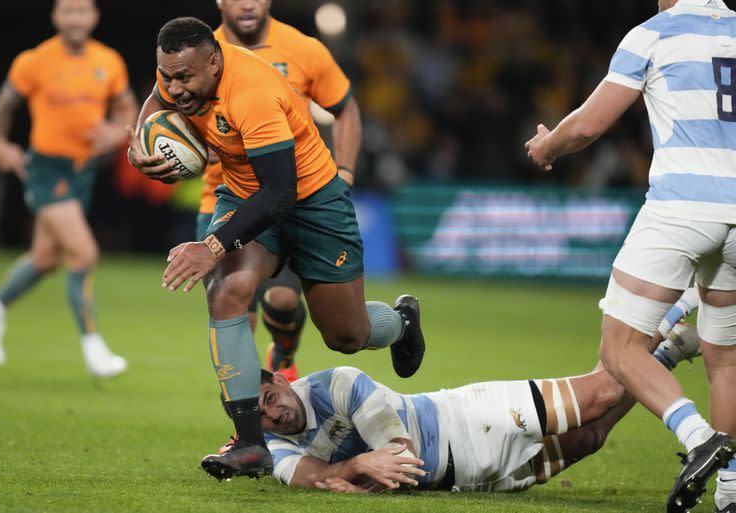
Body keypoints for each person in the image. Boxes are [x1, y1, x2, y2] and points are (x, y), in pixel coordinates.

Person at [127, 17, 424, 479]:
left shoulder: (254, 91)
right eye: (166, 75)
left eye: (183, 78)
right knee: (225, 291)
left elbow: (280, 193)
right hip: (244, 191)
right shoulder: (178, 73)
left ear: (214, 61)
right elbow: (156, 98)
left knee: (345, 335)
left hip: (312, 200)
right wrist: (140, 139)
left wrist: (211, 245)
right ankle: (250, 443)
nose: (174, 88)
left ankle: (401, 323)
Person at [525, 1, 736, 511]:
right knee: (725, 359)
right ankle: (732, 488)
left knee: (620, 349)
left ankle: (701, 440)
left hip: (682, 207)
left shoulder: (654, 33)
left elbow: (592, 123)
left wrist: (548, 147)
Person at [202, 313, 702, 491]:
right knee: (591, 435)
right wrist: (355, 467)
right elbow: (313, 477)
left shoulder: (337, 382)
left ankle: (664, 312)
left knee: (605, 391)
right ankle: (672, 350)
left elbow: (398, 461)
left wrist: (349, 472)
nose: (274, 414)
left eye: (269, 397)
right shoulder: (274, 442)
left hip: (474, 416)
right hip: (474, 479)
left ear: (280, 379)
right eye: (262, 414)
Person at [195, 0, 362, 382]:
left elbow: (345, 108)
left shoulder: (303, 49)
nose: (249, 3)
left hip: (285, 200)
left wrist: (346, 171)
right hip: (221, 198)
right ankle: (252, 425)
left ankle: (284, 347)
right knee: (234, 308)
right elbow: (171, 111)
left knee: (284, 301)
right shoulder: (200, 52)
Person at [0, 0, 137, 378]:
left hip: (83, 169)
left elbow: (126, 106)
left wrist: (116, 132)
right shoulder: (35, 60)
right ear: (55, 17)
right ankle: (93, 346)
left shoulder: (108, 61)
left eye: (83, 11)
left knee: (46, 258)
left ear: (95, 16)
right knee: (83, 254)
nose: (76, 18)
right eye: (68, 11)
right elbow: (2, 107)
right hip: (46, 167)